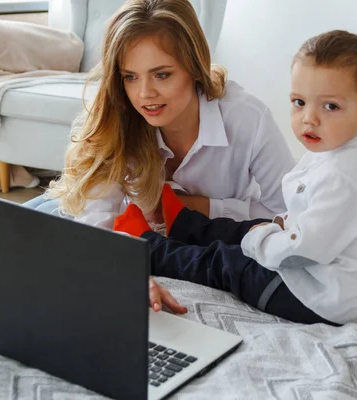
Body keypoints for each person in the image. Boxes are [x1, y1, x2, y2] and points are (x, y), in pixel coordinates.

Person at [112, 30, 357, 325]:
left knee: (226, 263)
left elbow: (301, 250)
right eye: (299, 102)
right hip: (331, 272)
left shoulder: (345, 178)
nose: (309, 118)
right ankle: (184, 223)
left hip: (321, 297)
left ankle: (153, 248)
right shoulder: (352, 150)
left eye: (330, 106)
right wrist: (266, 231)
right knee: (252, 228)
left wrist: (256, 243)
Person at [35, 0, 295, 313]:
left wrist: (201, 208)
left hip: (224, 244)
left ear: (194, 67)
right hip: (143, 239)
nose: (144, 94)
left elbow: (288, 215)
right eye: (130, 76)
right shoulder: (120, 116)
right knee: (35, 230)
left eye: (161, 75)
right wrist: (127, 274)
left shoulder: (248, 118)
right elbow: (97, 222)